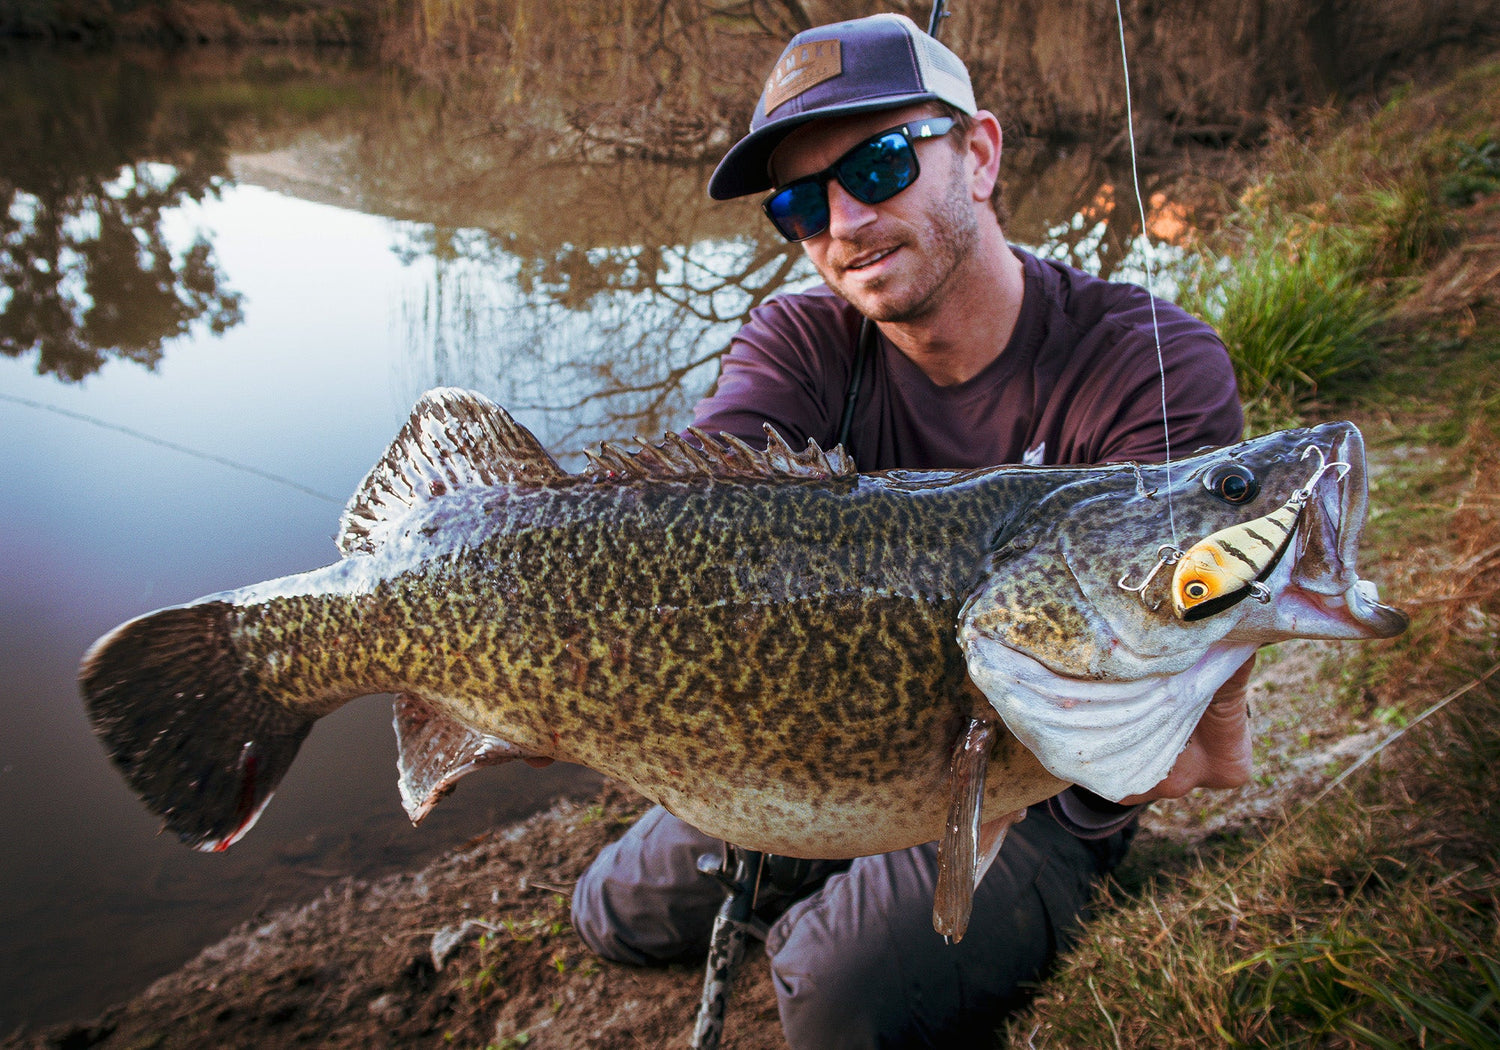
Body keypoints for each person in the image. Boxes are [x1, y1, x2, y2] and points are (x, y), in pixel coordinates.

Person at [572, 13, 1252, 1047]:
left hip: (1036, 786)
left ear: (977, 156)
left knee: (831, 991)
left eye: (881, 164)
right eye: (801, 202)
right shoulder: (798, 343)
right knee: (611, 911)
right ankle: (841, 847)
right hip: (824, 747)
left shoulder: (1148, 365)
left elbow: (1179, 649)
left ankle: (961, 897)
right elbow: (681, 531)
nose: (842, 223)